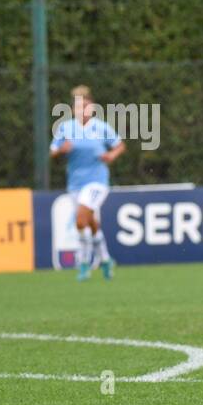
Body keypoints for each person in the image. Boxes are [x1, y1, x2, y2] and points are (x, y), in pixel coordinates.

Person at [51, 84, 125, 280]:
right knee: (90, 222)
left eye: (85, 106)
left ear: (91, 108)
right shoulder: (66, 128)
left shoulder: (101, 127)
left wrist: (111, 156)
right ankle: (106, 259)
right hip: (75, 183)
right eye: (78, 107)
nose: (82, 110)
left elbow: (119, 146)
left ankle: (83, 263)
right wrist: (61, 151)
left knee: (80, 220)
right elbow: (53, 152)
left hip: (97, 182)